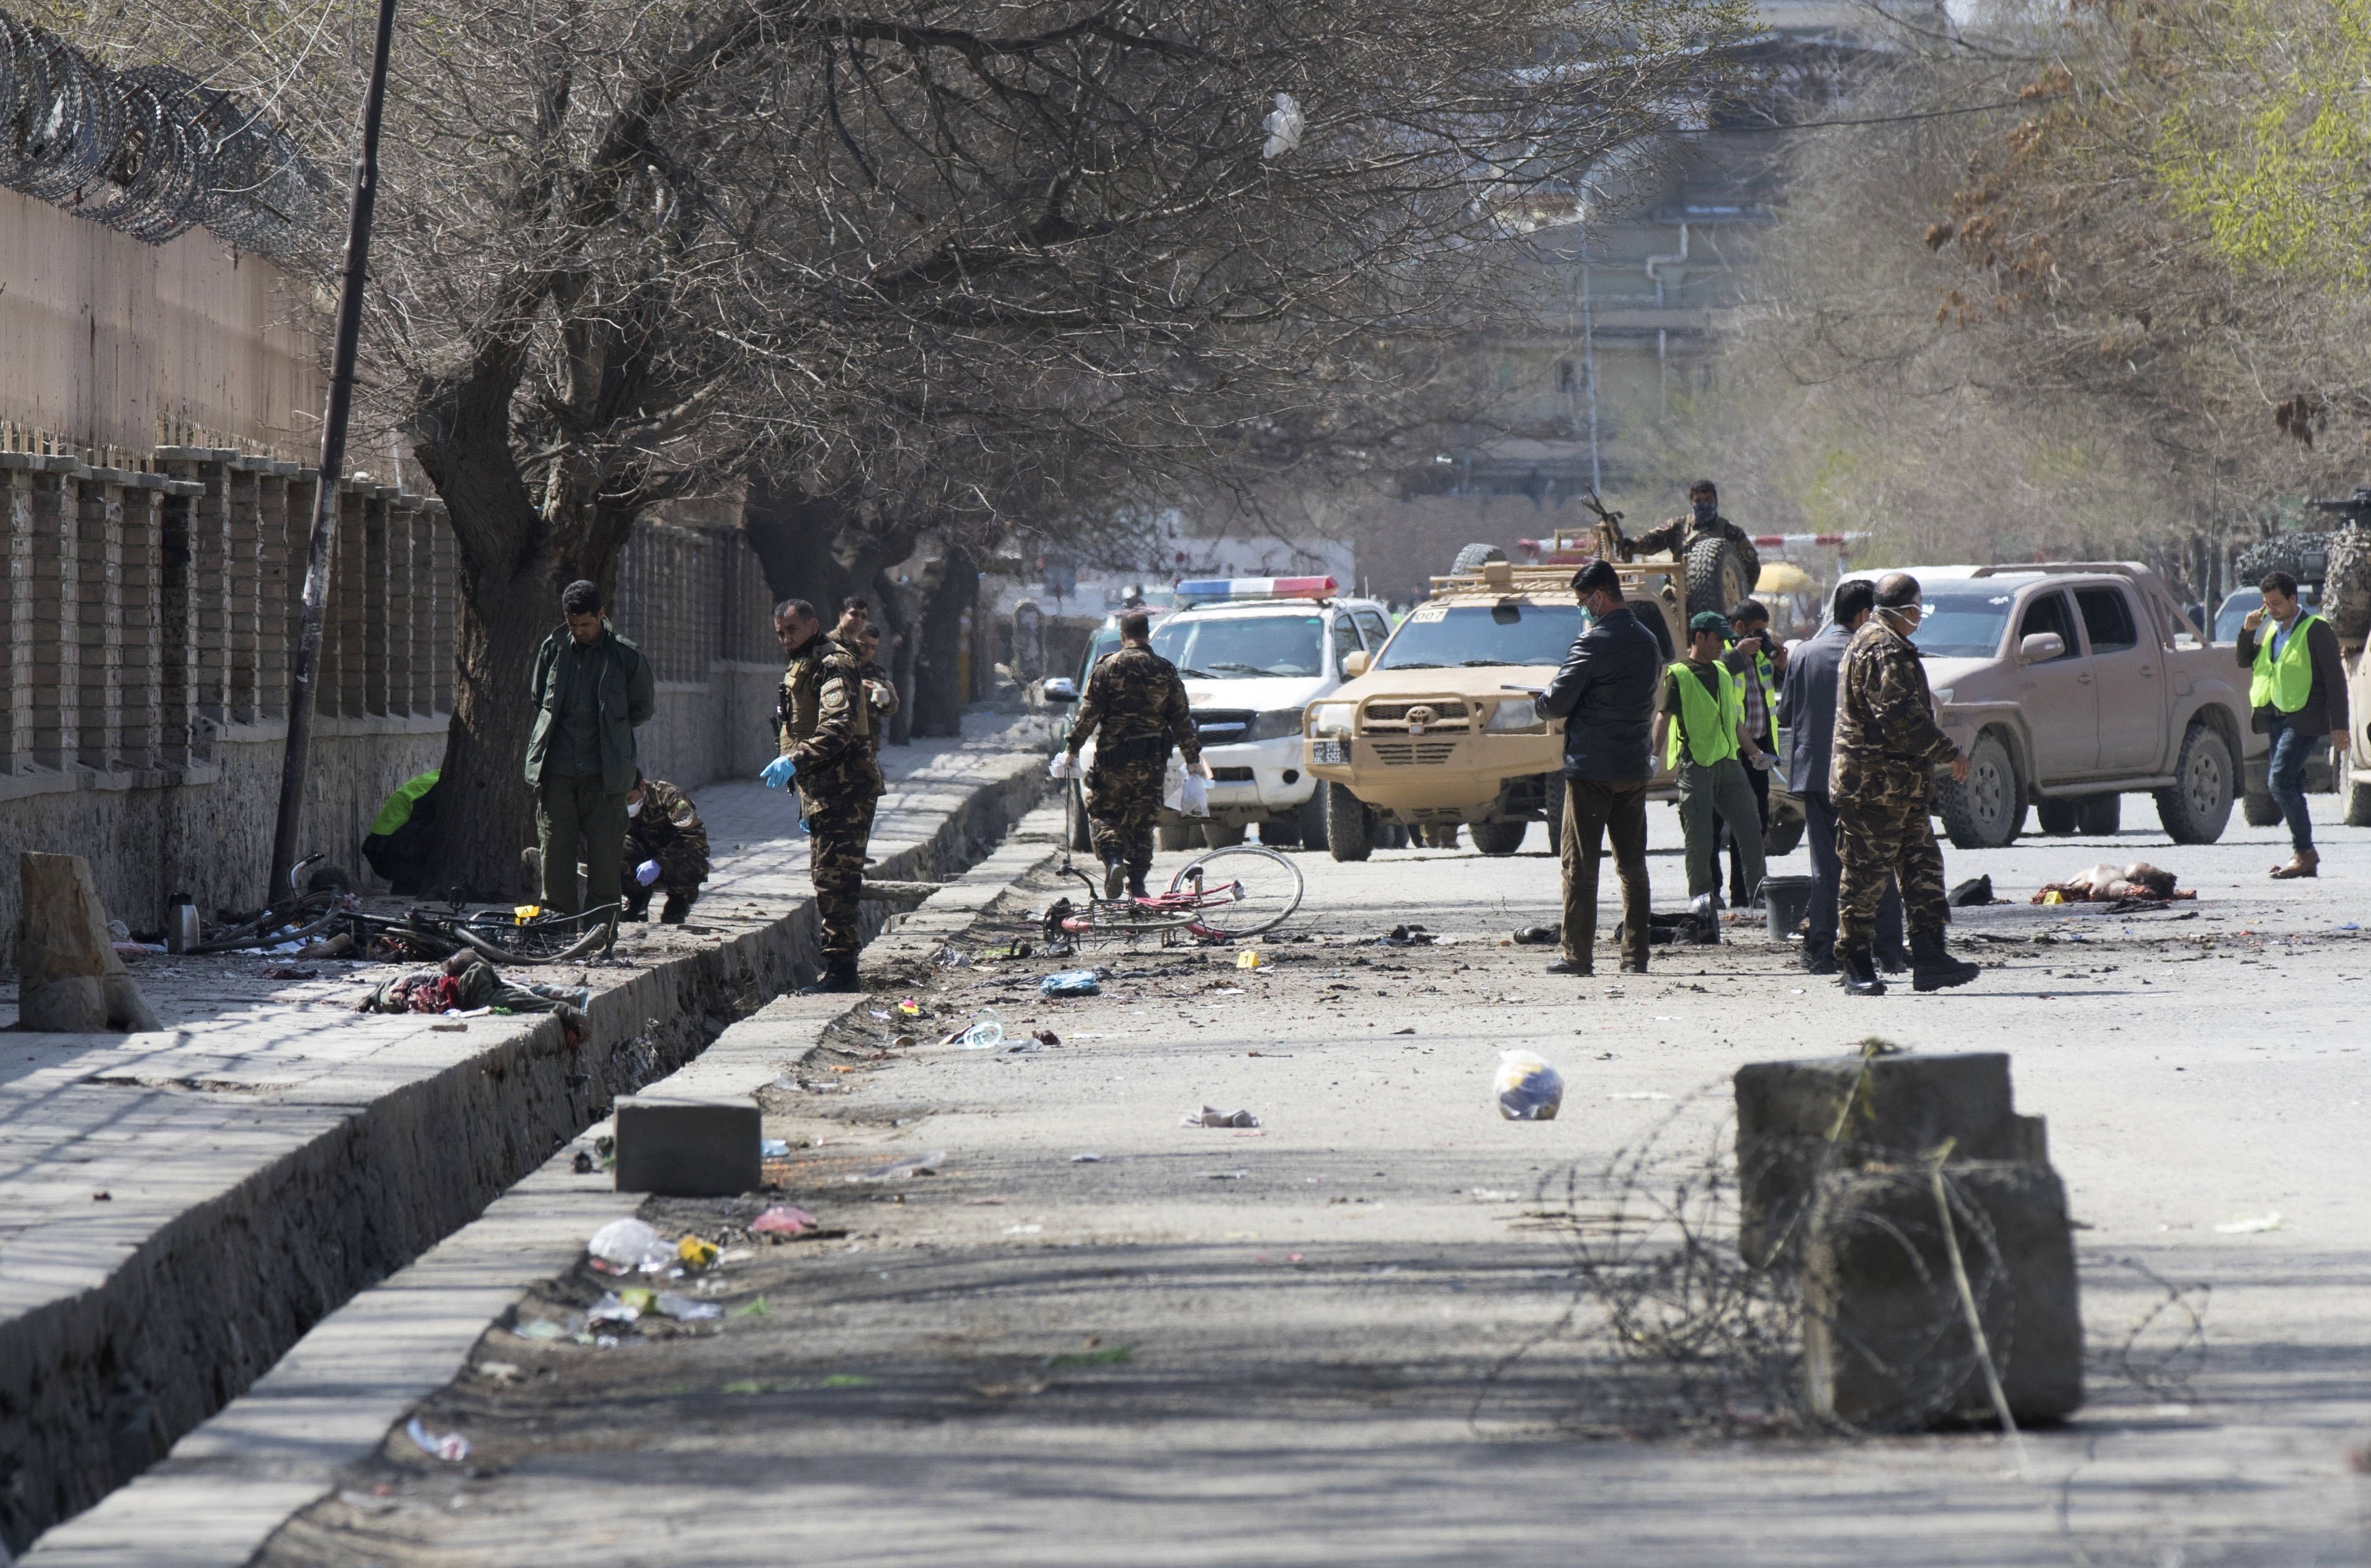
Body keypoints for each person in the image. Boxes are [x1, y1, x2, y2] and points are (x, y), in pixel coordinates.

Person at [1831, 572, 1981, 996]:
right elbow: (1901, 721)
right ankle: (1855, 962)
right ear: (1907, 609)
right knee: (1865, 877)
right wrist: (1950, 752)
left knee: (1923, 870)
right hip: (1873, 788)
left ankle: (1931, 956)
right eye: (1917, 608)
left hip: (1900, 788)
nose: (1920, 616)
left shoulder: (1880, 641)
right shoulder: (1882, 647)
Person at [1777, 579, 1906, 975]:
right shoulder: (1871, 653)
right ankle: (1888, 951)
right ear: (1866, 615)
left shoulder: (1804, 654)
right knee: (1875, 865)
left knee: (1825, 868)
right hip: (1863, 780)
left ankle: (1820, 953)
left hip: (1815, 777)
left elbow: (1786, 716)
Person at [1538, 559, 1659, 976]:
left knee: (1580, 865)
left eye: (1582, 601)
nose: (1582, 609)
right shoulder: (1648, 641)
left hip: (1592, 770)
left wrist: (1542, 698)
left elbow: (1556, 702)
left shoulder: (1592, 642)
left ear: (1599, 596)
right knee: (1633, 866)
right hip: (1633, 768)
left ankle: (1577, 955)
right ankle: (1636, 955)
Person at [524, 579, 656, 916]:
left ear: (601, 615)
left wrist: (612, 734)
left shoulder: (626, 655)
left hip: (606, 777)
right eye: (573, 624)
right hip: (558, 773)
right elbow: (540, 699)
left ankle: (599, 937)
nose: (579, 631)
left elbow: (642, 709)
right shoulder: (553, 650)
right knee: (555, 857)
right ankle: (557, 933)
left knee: (604, 862)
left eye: (586, 624)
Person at [771, 596, 879, 992]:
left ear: (813, 625)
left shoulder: (833, 663)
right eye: (781, 632)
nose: (785, 639)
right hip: (823, 791)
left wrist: (794, 761)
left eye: (793, 630)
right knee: (826, 878)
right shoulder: (804, 661)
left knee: (836, 881)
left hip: (845, 790)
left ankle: (843, 973)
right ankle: (838, 968)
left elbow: (837, 727)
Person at [1060, 609, 1207, 898]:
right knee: (1143, 822)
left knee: (1104, 814)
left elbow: (1088, 714)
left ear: (1123, 636)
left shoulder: (1108, 667)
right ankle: (1137, 883)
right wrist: (1192, 760)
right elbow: (1181, 719)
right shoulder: (1164, 670)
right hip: (1151, 764)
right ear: (1148, 635)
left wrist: (1072, 749)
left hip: (1114, 763)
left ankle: (1114, 860)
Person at [1653, 610, 1769, 909]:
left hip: (1729, 764)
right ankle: (1703, 898)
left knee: (1751, 828)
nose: (1722, 645)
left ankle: (1759, 893)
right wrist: (1653, 755)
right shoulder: (1679, 674)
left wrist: (1755, 754)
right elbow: (1663, 718)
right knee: (1700, 837)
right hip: (1697, 766)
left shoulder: (1721, 671)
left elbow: (1733, 720)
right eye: (1718, 639)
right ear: (1700, 637)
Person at [2237, 570, 2348, 879]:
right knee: (2291, 783)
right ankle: (2304, 857)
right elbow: (2246, 661)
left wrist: (2339, 724)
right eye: (2266, 603)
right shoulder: (2271, 630)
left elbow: (2336, 680)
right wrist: (2248, 631)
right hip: (2275, 716)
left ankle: (2304, 852)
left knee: (2279, 782)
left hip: (2303, 718)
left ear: (2293, 599)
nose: (2270, 608)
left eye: (2276, 603)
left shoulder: (2315, 629)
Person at [1720, 598, 1784, 907]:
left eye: (1765, 632)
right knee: (1721, 825)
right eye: (1757, 632)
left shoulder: (1760, 657)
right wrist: (1737, 654)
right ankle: (1717, 893)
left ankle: (1746, 892)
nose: (1762, 638)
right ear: (1740, 628)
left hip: (1758, 752)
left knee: (1755, 824)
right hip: (1730, 753)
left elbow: (1774, 691)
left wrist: (1782, 663)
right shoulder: (1723, 652)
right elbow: (1716, 675)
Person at [1626, 479, 1764, 593]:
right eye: (1698, 501)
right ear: (1692, 503)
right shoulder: (1678, 527)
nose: (1704, 504)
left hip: (1719, 600)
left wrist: (1740, 594)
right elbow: (1653, 540)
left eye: (1708, 500)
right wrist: (1633, 545)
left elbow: (1752, 567)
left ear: (1716, 501)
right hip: (1680, 597)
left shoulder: (1731, 532)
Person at [622, 772, 711, 923]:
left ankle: (679, 901)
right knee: (615, 850)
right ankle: (637, 899)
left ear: (642, 786)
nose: (627, 805)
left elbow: (694, 834)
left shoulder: (669, 797)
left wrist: (659, 862)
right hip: (643, 855)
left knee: (690, 859)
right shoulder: (614, 804)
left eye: (630, 798)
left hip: (674, 858)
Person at [361, 770, 442, 895]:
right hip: (391, 853)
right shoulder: (443, 785)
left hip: (382, 849)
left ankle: (407, 887)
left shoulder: (436, 778)